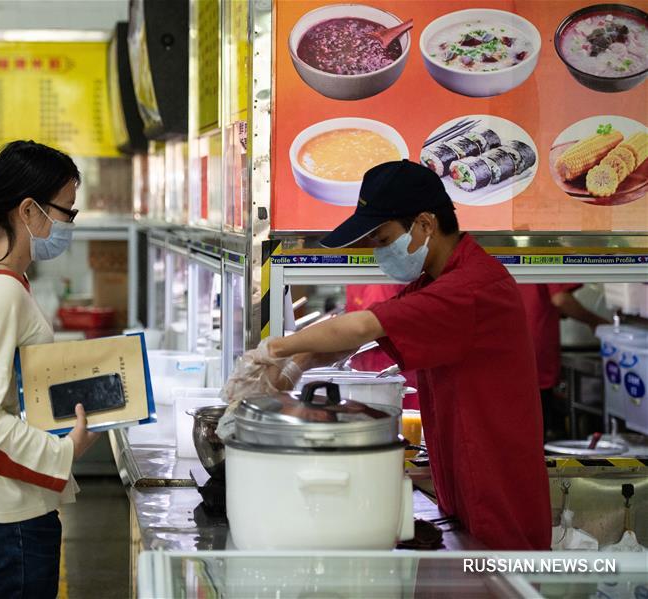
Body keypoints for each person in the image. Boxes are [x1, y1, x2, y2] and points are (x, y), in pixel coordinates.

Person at [230, 160, 551, 550]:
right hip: (466, 482)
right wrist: (295, 367)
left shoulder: (472, 287)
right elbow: (364, 336)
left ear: (425, 225)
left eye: (382, 240)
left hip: (499, 497)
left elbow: (363, 326)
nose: (378, 253)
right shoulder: (437, 281)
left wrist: (271, 350)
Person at [0, 140, 100, 598]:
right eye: (67, 212)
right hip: (1, 521)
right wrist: (66, 451)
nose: (69, 224)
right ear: (29, 211)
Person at [518, 284, 609, 441]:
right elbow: (560, 299)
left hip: (519, 355)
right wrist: (595, 321)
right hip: (536, 355)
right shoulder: (546, 259)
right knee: (537, 431)